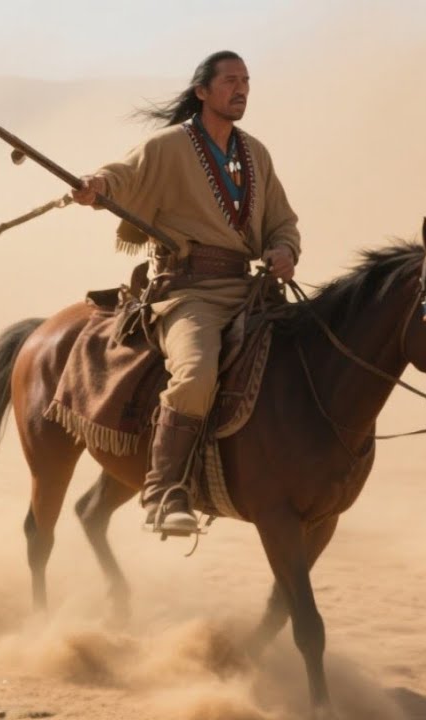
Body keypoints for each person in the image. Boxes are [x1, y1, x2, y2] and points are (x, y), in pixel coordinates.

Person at [69, 50, 300, 535]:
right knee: (195, 375)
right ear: (202, 91)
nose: (241, 89)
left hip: (250, 290)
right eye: (230, 81)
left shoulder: (256, 153)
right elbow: (124, 175)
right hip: (188, 293)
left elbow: (281, 220)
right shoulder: (169, 145)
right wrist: (97, 184)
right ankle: (164, 492)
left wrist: (283, 249)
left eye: (247, 81)